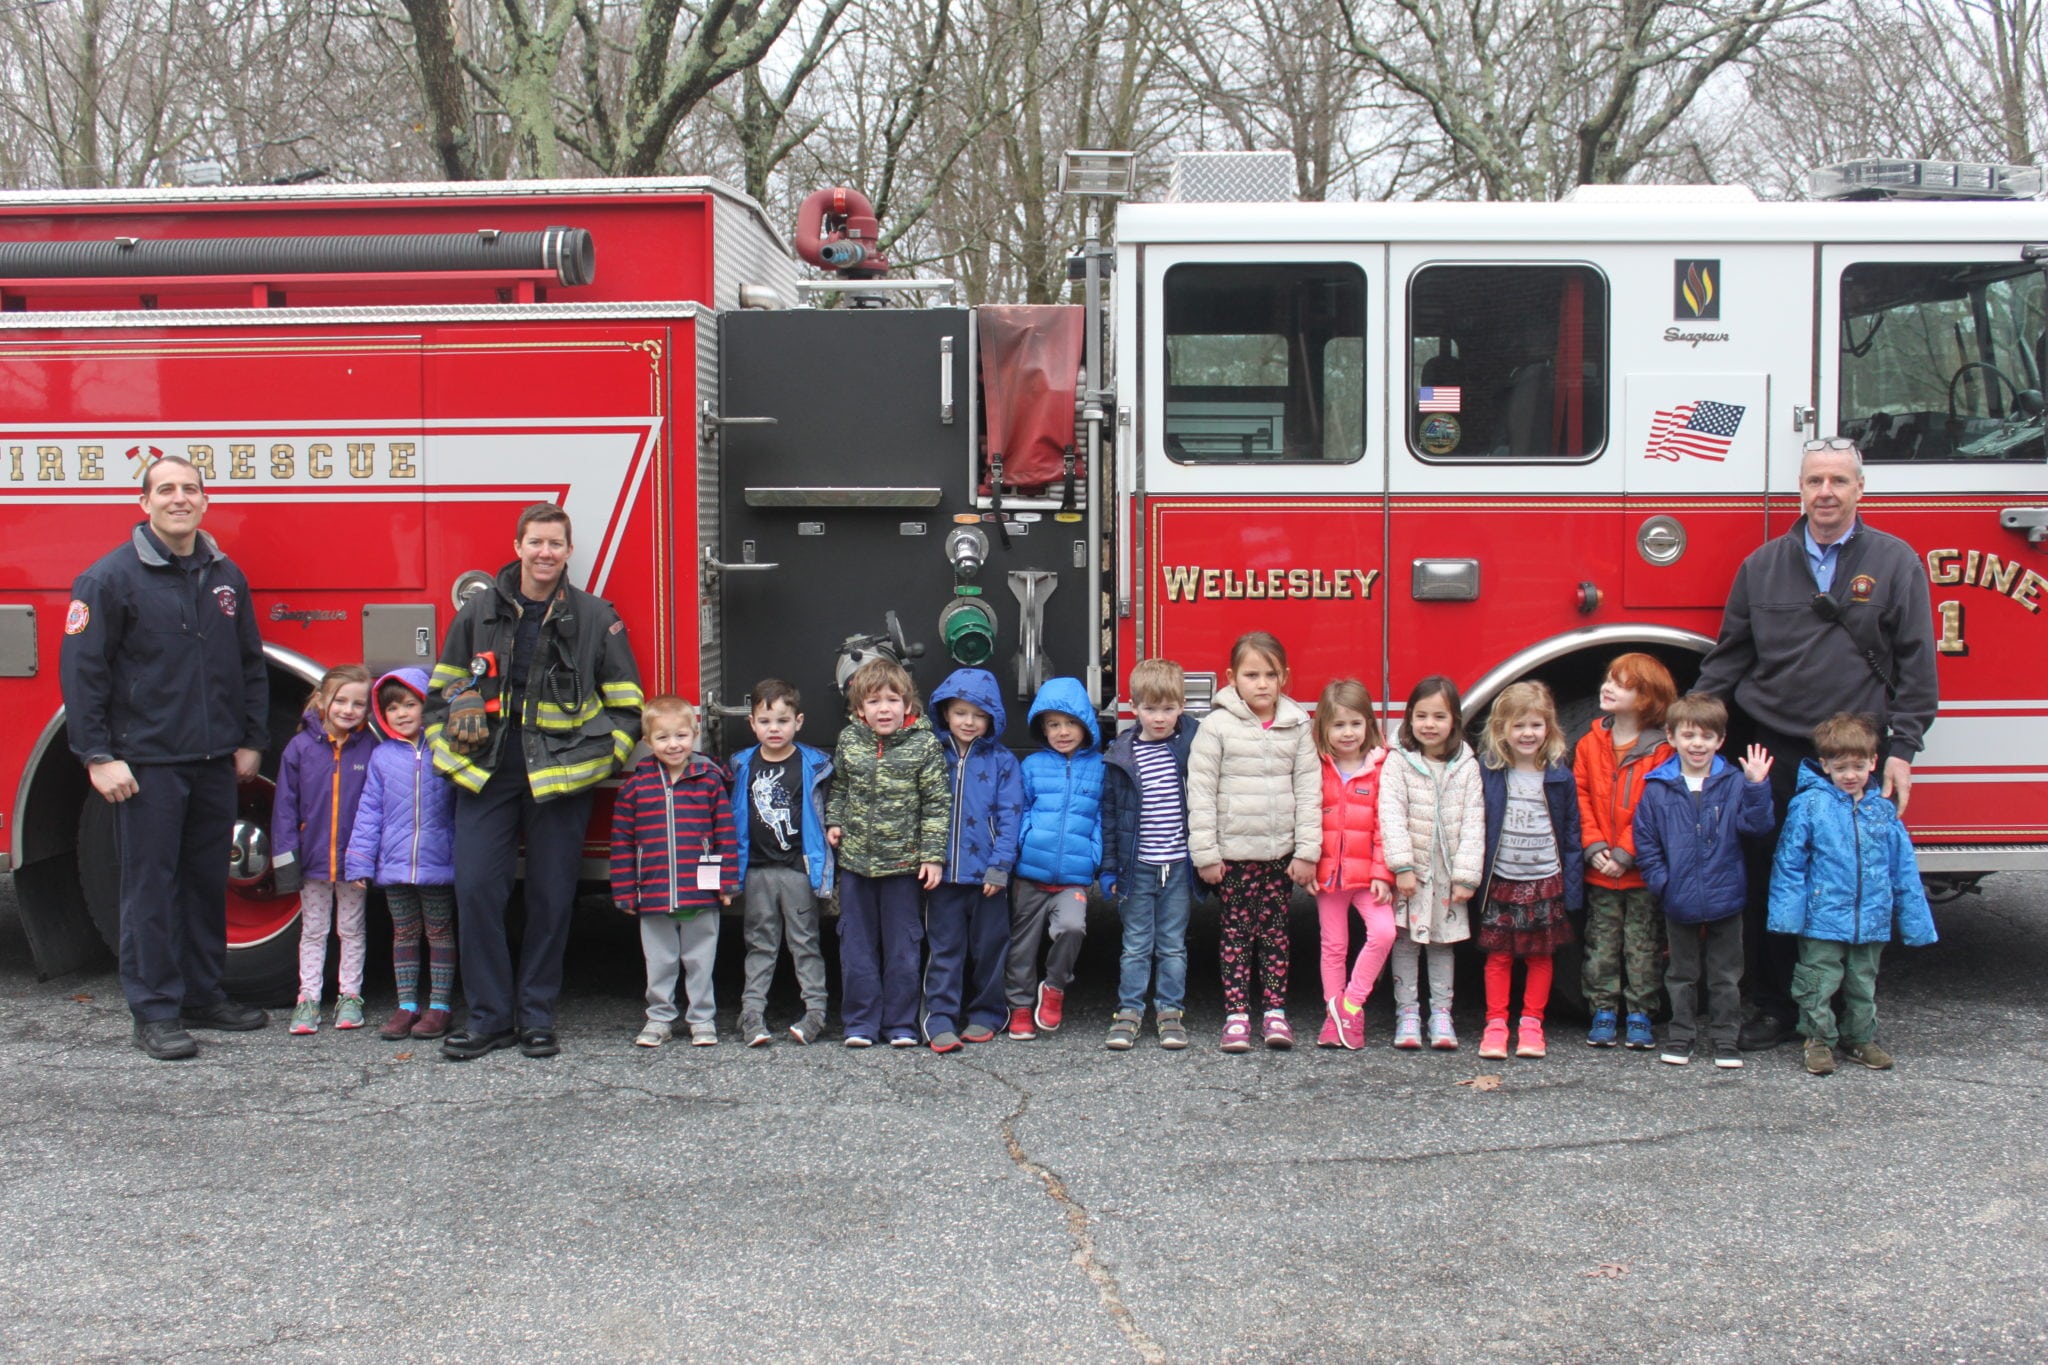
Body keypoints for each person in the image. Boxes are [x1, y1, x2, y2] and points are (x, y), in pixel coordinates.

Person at [1693, 438, 1938, 1051]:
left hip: (1853, 755)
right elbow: (1729, 660)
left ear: (1860, 489)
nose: (1825, 493)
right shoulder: (1763, 565)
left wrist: (1902, 750)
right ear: (1798, 491)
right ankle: (1778, 1005)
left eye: (1837, 481)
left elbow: (1917, 665)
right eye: (1813, 482)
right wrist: (1687, 733)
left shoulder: (1896, 561)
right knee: (1777, 876)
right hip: (1775, 748)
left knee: (1852, 879)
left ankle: (1846, 1016)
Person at [59, 454, 270, 1060]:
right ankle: (153, 1012)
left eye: (191, 489)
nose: (180, 498)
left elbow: (248, 661)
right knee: (149, 889)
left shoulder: (225, 575)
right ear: (144, 503)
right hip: (146, 764)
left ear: (205, 502)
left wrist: (252, 738)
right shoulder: (108, 580)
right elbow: (84, 675)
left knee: (205, 883)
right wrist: (97, 755)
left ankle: (202, 993)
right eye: (167, 489)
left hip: (211, 761)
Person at [427, 502, 643, 1061]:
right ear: (518, 546)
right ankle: (490, 1019)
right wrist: (455, 714)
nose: (545, 553)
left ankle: (538, 1017)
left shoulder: (597, 617)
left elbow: (626, 705)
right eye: (535, 542)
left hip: (560, 778)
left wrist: (599, 761)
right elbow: (439, 691)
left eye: (555, 544)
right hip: (486, 774)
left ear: (570, 552)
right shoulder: (477, 611)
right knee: (476, 893)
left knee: (550, 900)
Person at [1768, 712, 1937, 1077]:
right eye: (1841, 766)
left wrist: (1916, 922)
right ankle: (1817, 1039)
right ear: (1824, 764)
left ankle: (1860, 1037)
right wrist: (1786, 916)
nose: (1850, 775)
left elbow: (1903, 869)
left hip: (1871, 919)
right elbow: (1789, 862)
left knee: (1863, 984)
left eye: (1858, 766)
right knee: (1816, 982)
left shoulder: (1882, 811)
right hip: (1822, 918)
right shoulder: (1810, 805)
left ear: (1874, 763)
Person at [1188, 632, 1319, 1053]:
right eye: (1251, 675)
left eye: (1270, 674)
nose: (1262, 684)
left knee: (1276, 934)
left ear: (1285, 677)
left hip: (1279, 856)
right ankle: (1237, 1015)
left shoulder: (1298, 724)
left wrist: (1306, 851)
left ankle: (1276, 1013)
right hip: (1234, 857)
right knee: (1236, 935)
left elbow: (1310, 790)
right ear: (1231, 678)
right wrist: (1206, 854)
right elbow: (1201, 791)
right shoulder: (1215, 726)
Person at [1632, 693, 1775, 1069]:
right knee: (1681, 974)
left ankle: (1725, 1039)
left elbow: (1756, 828)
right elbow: (1646, 841)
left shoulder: (1734, 782)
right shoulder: (1658, 786)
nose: (1698, 744)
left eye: (1707, 736)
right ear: (1671, 736)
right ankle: (1681, 1036)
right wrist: (1662, 882)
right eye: (1689, 735)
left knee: (1726, 976)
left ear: (1720, 740)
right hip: (1678, 898)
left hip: (1726, 896)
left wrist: (1758, 787)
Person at [825, 658, 949, 1049]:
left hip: (903, 867)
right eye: (874, 701)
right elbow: (840, 787)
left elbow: (936, 804)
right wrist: (834, 821)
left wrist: (931, 856)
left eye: (892, 700)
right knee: (856, 946)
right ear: (859, 709)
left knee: (903, 947)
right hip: (857, 866)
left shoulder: (924, 745)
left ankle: (900, 1024)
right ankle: (860, 1023)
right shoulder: (850, 741)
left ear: (908, 706)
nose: (884, 709)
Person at [610, 696, 737, 1048]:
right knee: (661, 962)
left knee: (700, 960)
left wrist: (727, 882)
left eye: (681, 735)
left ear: (695, 734)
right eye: (663, 738)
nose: (673, 744)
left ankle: (702, 1019)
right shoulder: (634, 788)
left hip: (700, 891)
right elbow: (621, 843)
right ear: (648, 742)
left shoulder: (709, 781)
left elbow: (726, 834)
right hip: (653, 893)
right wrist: (624, 890)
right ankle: (660, 1018)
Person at [344, 668, 458, 1042]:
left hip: (438, 863)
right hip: (393, 866)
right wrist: (360, 860)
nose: (403, 714)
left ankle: (439, 1006)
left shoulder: (445, 750)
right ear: (382, 714)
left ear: (428, 706)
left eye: (411, 704)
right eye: (393, 708)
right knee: (404, 933)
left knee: (440, 933)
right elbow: (369, 812)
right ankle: (406, 1005)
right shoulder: (381, 757)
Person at [1474, 681, 1583, 1061]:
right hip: (1502, 879)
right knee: (1499, 956)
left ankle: (1532, 1023)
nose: (1527, 734)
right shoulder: (1491, 772)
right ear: (1502, 729)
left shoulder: (1558, 776)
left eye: (1536, 725)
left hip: (1545, 880)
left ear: (1549, 729)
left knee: (1541, 956)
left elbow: (1571, 832)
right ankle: (1496, 1024)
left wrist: (1572, 886)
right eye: (1518, 726)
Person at [1573, 653, 1675, 1050]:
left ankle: (1639, 1014)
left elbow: (1655, 806)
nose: (1608, 687)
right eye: (1608, 679)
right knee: (1600, 944)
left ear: (1647, 697)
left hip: (1640, 870)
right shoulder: (1588, 743)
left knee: (1643, 945)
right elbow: (1580, 797)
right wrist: (1595, 846)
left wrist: (1626, 853)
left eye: (1622, 683)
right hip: (1601, 867)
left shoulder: (1663, 750)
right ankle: (1602, 1011)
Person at [1378, 676, 1484, 1052]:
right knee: (1405, 942)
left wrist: (1466, 876)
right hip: (1413, 873)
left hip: (1448, 875)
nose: (1429, 724)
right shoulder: (1398, 762)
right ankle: (1407, 1013)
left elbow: (1475, 821)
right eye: (1420, 715)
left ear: (1454, 719)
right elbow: (1390, 814)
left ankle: (1441, 1014)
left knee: (1443, 945)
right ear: (1408, 719)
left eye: (1439, 716)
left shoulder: (1466, 765)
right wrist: (1401, 866)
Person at [271, 664, 378, 1035]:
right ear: (321, 700)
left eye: (358, 704)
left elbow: (375, 807)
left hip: (354, 862)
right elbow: (284, 807)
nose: (349, 710)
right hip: (312, 858)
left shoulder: (371, 748)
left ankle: (350, 996)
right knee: (314, 931)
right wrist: (286, 860)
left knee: (351, 929)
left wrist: (369, 857)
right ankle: (308, 1000)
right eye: (341, 700)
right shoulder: (299, 748)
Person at [727, 679, 834, 1048]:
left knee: (804, 943)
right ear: (752, 724)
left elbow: (826, 814)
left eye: (783, 721)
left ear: (798, 722)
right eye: (766, 721)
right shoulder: (742, 765)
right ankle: (751, 1014)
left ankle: (816, 1012)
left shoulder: (815, 764)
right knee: (760, 943)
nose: (775, 729)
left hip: (797, 870)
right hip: (756, 870)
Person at [1100, 659, 1198, 1052]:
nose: (1160, 718)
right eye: (1150, 709)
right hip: (1136, 866)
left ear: (1182, 707)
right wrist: (1108, 870)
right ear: (1133, 707)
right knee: (1137, 943)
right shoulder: (1120, 755)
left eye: (1169, 709)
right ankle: (1129, 1010)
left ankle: (1170, 1011)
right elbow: (1110, 817)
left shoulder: (1191, 744)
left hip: (1176, 865)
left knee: (1173, 943)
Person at [923, 667, 1022, 1053]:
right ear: (945, 712)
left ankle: (987, 1014)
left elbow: (1011, 817)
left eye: (979, 715)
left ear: (992, 719)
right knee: (944, 949)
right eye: (961, 712)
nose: (969, 721)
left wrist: (1001, 865)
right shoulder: (932, 755)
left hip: (988, 876)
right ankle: (941, 1018)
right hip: (942, 875)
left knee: (990, 948)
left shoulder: (1002, 762)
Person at [1006, 675, 1105, 1041]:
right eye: (1053, 725)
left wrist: (1094, 856)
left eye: (1070, 723)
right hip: (1030, 874)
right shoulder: (1031, 766)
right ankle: (1018, 1006)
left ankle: (1055, 988)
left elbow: (1100, 818)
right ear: (1042, 729)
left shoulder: (1100, 768)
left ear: (1085, 725)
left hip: (1073, 877)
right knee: (1022, 946)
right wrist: (1023, 844)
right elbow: (1020, 810)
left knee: (1072, 928)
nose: (1062, 732)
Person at [1310, 679, 1393, 1052]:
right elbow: (1307, 820)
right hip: (1328, 877)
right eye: (1338, 725)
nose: (1347, 733)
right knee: (1334, 946)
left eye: (1355, 724)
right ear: (1324, 727)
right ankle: (1333, 1016)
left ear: (1369, 726)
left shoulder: (1381, 767)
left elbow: (1385, 826)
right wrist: (1309, 865)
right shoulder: (1316, 766)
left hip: (1367, 876)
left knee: (1384, 933)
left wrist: (1382, 873)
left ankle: (1350, 1005)